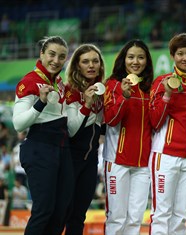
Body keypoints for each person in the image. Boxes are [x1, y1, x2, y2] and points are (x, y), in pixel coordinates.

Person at [12, 36, 73, 235]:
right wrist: (40, 103)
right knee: (44, 210)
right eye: (52, 54)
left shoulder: (59, 83)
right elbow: (18, 124)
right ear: (42, 54)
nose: (56, 60)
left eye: (61, 57)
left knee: (60, 212)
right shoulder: (29, 81)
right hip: (40, 148)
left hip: (61, 150)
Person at [148, 33, 186, 235]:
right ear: (173, 56)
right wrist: (167, 95)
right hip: (166, 155)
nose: (185, 58)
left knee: (182, 214)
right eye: (180, 53)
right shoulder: (161, 82)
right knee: (161, 213)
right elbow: (154, 122)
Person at [102, 39, 153, 235]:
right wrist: (123, 96)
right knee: (116, 217)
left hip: (143, 164)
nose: (135, 61)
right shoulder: (113, 84)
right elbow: (111, 120)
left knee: (135, 218)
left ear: (147, 61)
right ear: (123, 60)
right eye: (131, 57)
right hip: (117, 161)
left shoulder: (149, 88)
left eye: (141, 57)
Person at [64, 44, 105, 235]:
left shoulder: (102, 93)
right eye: (85, 61)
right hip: (70, 159)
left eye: (95, 61)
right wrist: (87, 104)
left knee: (79, 215)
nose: (91, 65)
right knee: (63, 212)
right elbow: (72, 130)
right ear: (77, 66)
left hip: (90, 161)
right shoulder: (70, 91)